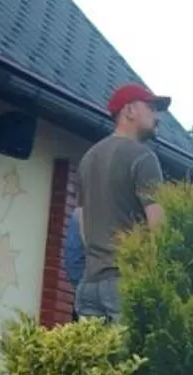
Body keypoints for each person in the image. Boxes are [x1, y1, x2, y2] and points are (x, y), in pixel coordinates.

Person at [72, 82, 171, 323]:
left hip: (89, 285)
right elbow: (158, 227)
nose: (157, 117)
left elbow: (81, 224)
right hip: (124, 282)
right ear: (129, 111)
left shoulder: (88, 159)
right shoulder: (143, 157)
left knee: (93, 359)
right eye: (150, 107)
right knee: (130, 359)